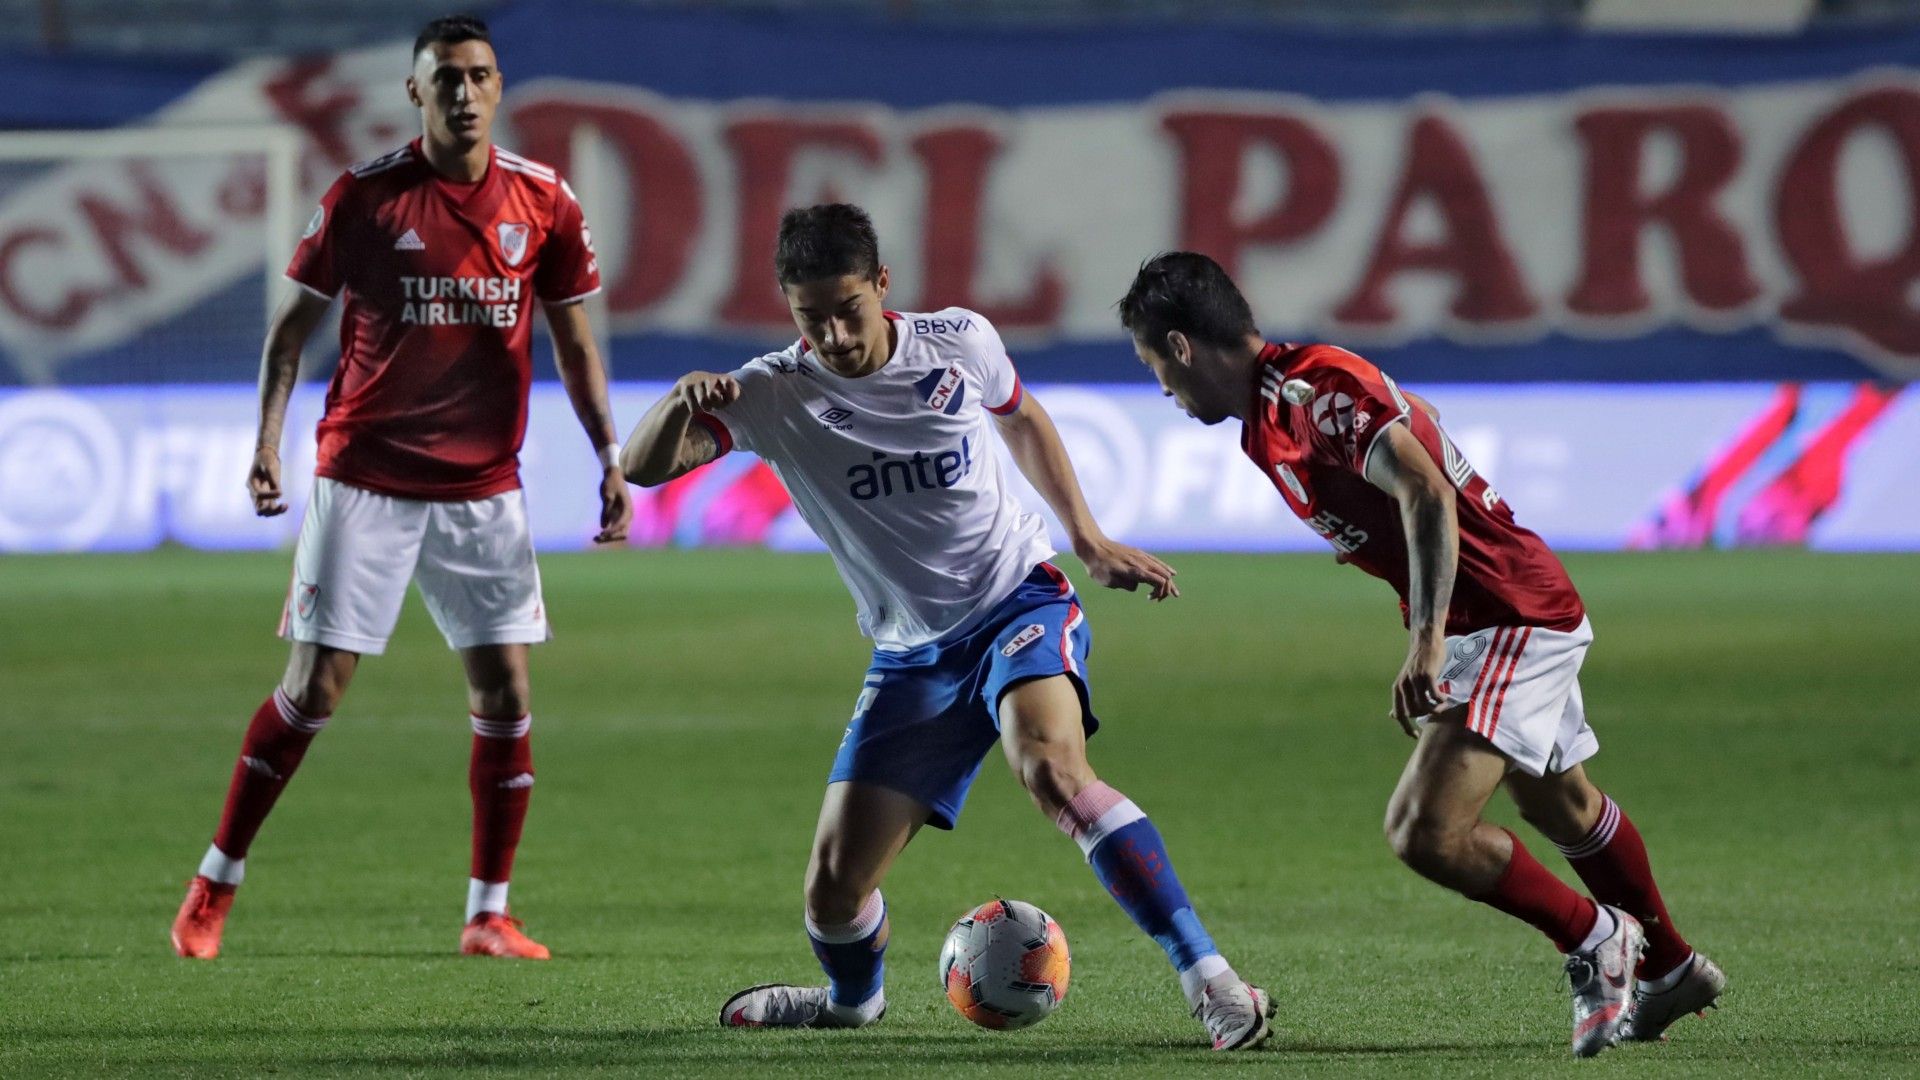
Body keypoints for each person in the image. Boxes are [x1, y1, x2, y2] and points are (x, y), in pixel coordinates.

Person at [621, 205, 1274, 1050]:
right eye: (809, 315)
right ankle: (851, 1002)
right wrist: (678, 402)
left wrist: (1088, 538)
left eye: (847, 308)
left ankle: (1214, 983)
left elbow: (1022, 417)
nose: (832, 333)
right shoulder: (775, 391)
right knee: (832, 890)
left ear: (883, 285)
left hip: (1017, 600)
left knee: (1051, 769)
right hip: (911, 654)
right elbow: (642, 469)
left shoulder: (958, 340)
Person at [1118, 251, 1724, 1057]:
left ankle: (1595, 938)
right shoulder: (1269, 423)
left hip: (1504, 613)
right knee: (1561, 804)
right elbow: (1413, 444)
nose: (1160, 386)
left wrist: (1427, 642)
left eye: (1155, 363)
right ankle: (1673, 968)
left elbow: (1427, 489)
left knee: (1425, 829)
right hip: (1498, 609)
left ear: (1183, 348)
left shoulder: (1314, 392)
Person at [170, 14, 631, 961]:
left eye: (480, 75)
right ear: (415, 94)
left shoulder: (545, 202)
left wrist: (609, 457)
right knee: (314, 688)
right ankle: (215, 884)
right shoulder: (366, 201)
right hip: (366, 478)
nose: (465, 92)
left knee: (506, 693)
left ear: (500, 88)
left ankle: (488, 914)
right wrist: (267, 445)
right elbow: (288, 331)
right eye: (446, 79)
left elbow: (575, 345)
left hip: (484, 489)